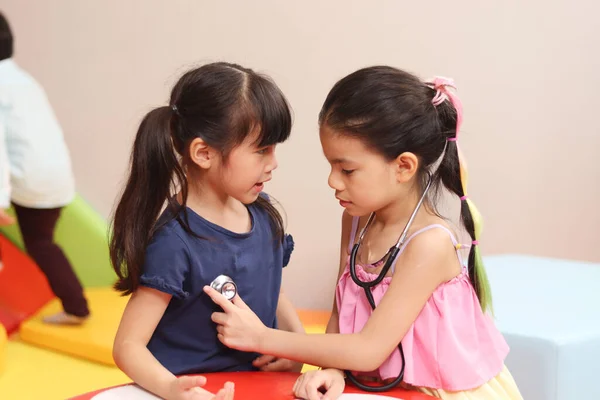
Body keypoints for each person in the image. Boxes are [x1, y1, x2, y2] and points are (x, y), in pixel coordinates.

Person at [204, 66, 523, 400]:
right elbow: (342, 316)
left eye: (347, 169)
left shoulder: (430, 244)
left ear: (403, 166)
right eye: (330, 166)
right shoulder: (356, 220)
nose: (333, 181)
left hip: (442, 392)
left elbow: (368, 350)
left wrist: (261, 337)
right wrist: (332, 368)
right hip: (376, 388)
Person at [110, 62, 303, 400]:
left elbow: (276, 291)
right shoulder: (175, 241)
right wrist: (173, 389)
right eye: (261, 150)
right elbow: (128, 345)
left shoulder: (264, 215)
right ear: (204, 153)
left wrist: (296, 345)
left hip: (259, 387)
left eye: (274, 149)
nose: (273, 163)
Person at [0, 11, 89, 325]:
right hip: (55, 174)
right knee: (43, 243)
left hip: (31, 179)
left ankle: (77, 307)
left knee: (40, 245)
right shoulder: (24, 80)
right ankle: (76, 305)